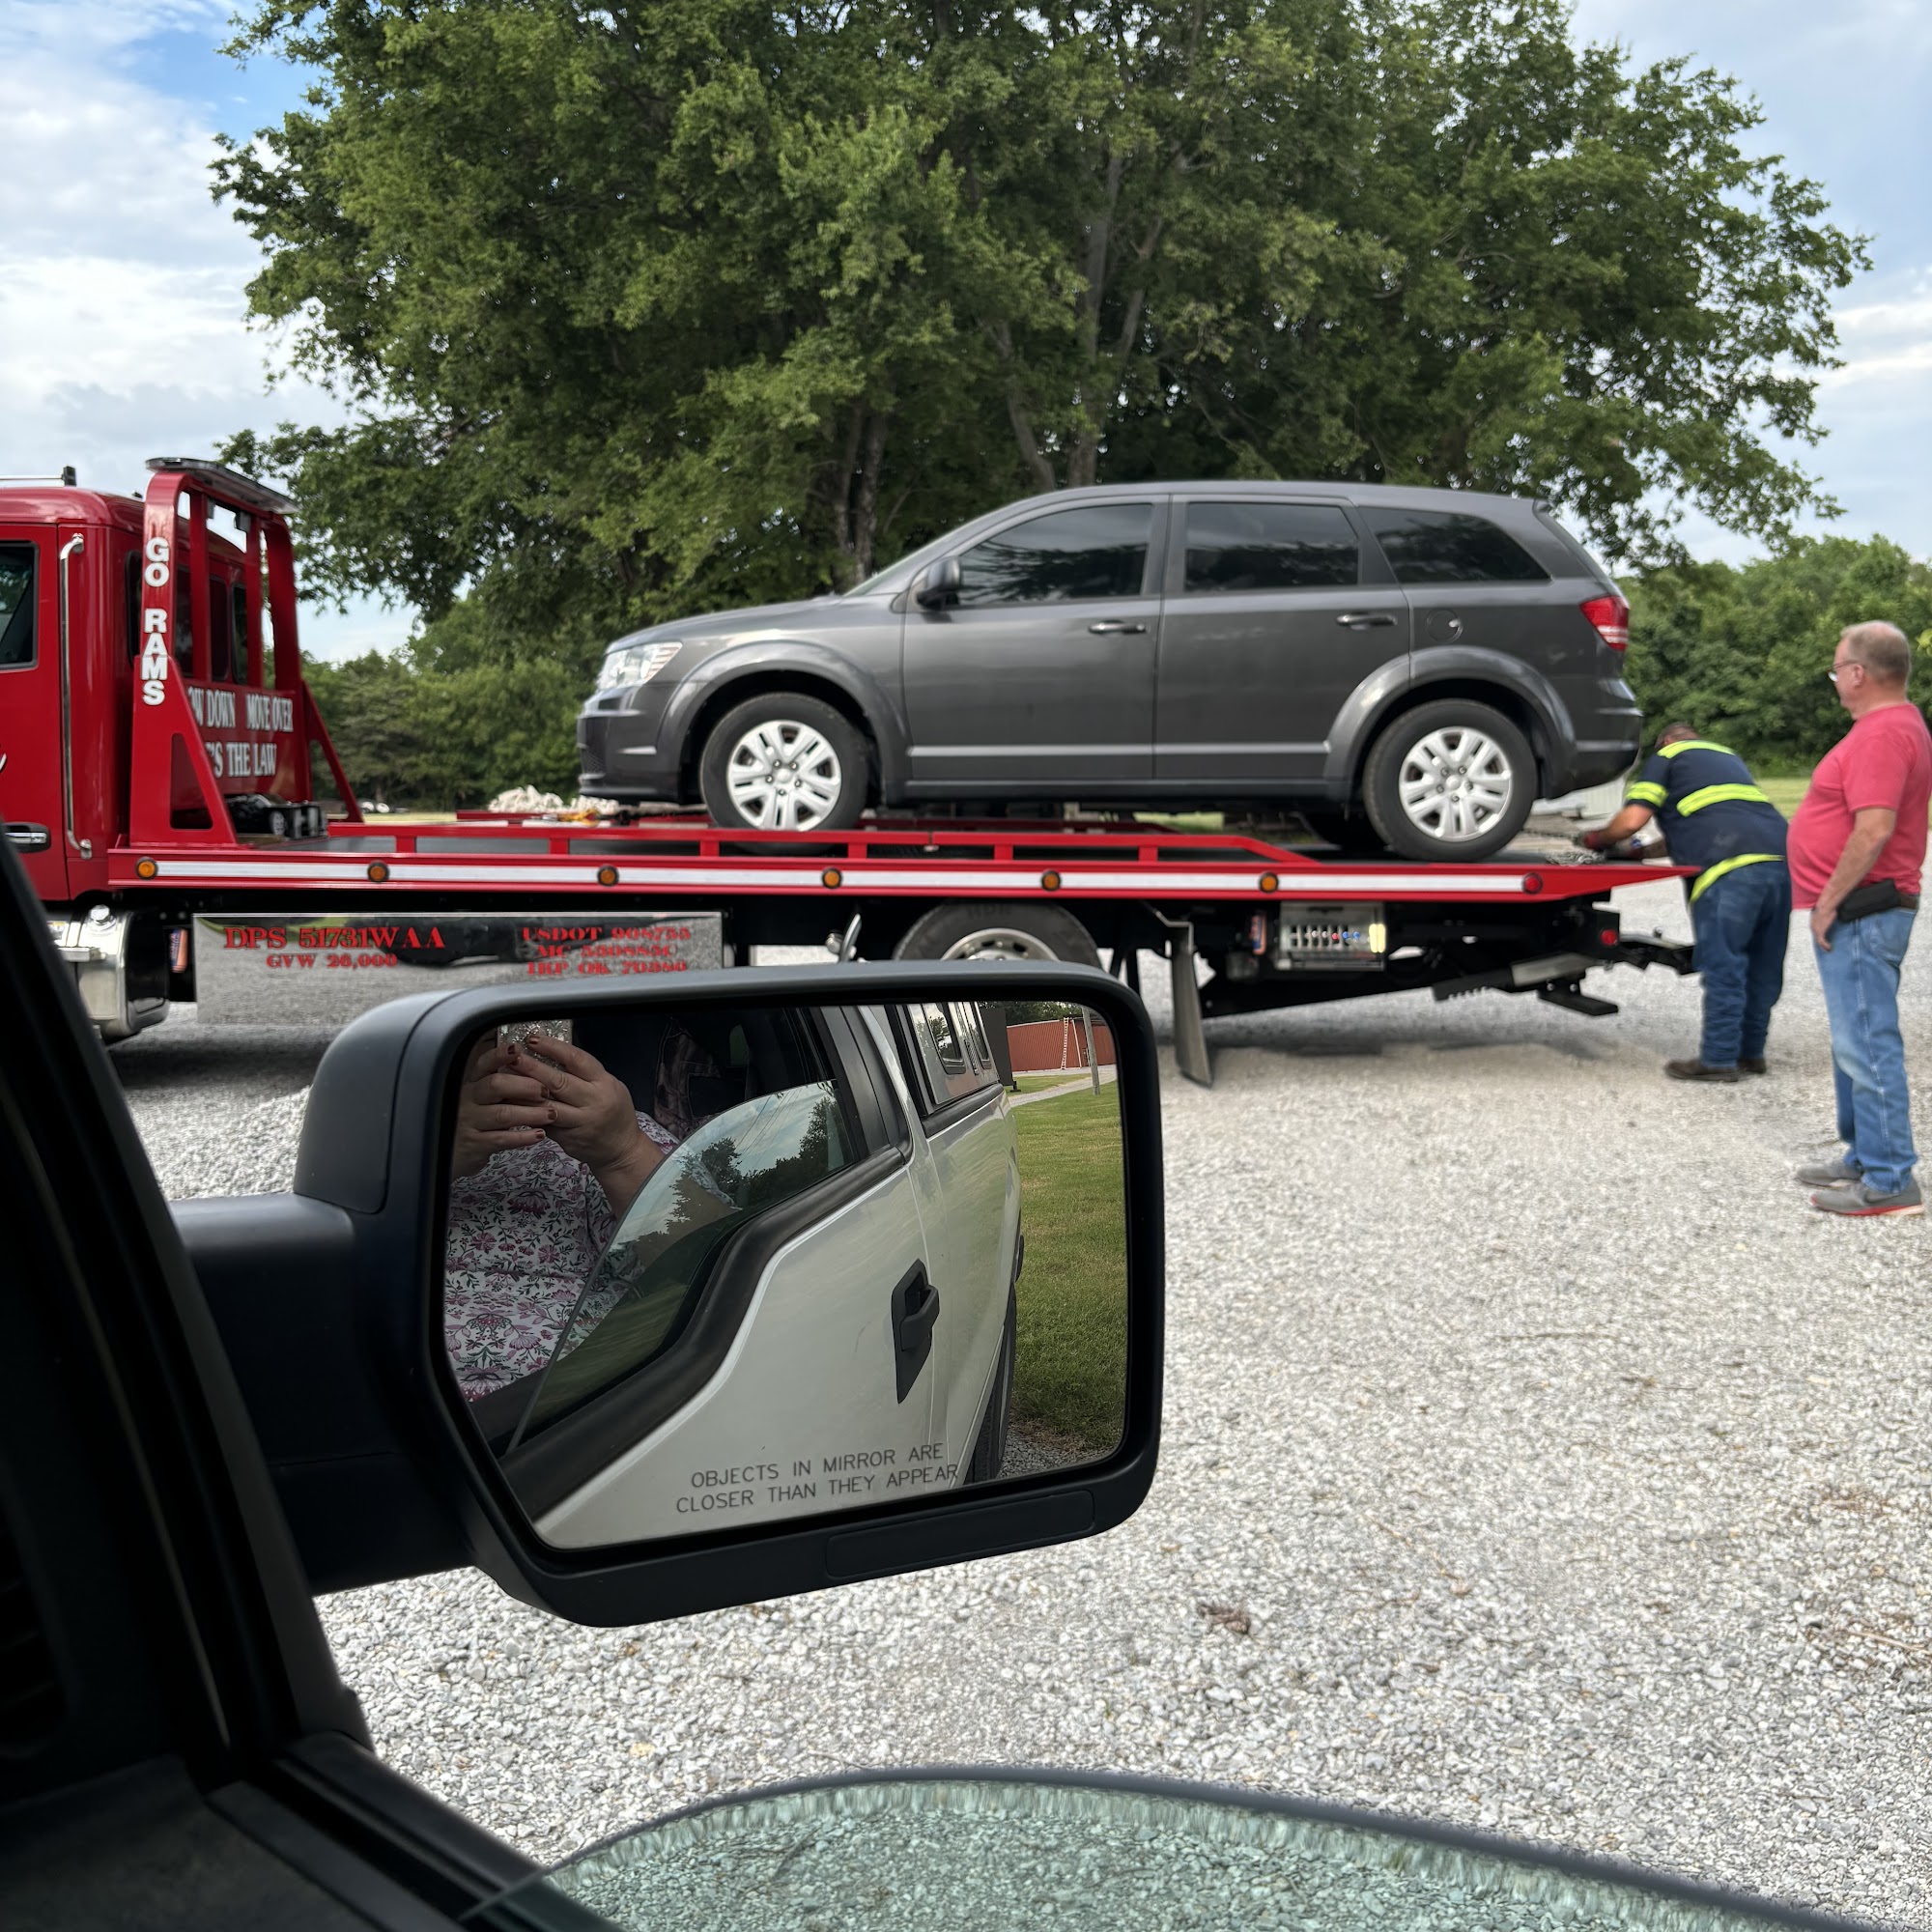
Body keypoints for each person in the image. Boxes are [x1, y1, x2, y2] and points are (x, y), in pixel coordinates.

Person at [1787, 621, 1932, 1218]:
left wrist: (1827, 901)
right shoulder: (1897, 727)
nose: (1835, 678)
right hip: (1862, 908)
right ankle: (1864, 1154)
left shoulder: (1881, 734)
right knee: (1855, 1040)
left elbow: (1873, 828)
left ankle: (1892, 1178)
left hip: (1862, 908)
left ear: (1857, 673)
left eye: (1836, 668)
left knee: (1867, 1041)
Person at [1581, 723, 1790, 1083]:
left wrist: (1597, 840)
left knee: (1726, 965)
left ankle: (1719, 1059)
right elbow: (1705, 822)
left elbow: (1632, 820)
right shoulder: (1727, 758)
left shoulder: (1668, 756)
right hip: (1779, 865)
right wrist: (1645, 853)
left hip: (1728, 872)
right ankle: (1751, 1053)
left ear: (1666, 741)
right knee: (1764, 965)